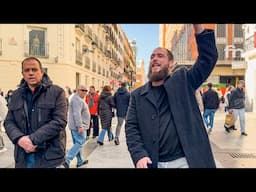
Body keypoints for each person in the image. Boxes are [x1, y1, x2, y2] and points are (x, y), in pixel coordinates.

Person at [125, 24, 218, 168]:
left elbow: (207, 59)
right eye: (152, 56)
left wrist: (197, 27)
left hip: (185, 161)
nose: (155, 59)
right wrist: (139, 155)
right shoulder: (138, 95)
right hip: (153, 162)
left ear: (171, 64)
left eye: (160, 56)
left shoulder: (183, 80)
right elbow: (131, 127)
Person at [4, 57, 68, 168]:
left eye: (34, 69)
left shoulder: (57, 92)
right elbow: (9, 122)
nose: (31, 73)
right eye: (27, 70)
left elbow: (60, 121)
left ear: (42, 72)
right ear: (22, 74)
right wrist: (19, 139)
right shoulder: (16, 95)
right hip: (23, 157)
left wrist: (32, 140)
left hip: (50, 157)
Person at [64, 85, 90, 168]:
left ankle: (80, 161)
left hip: (77, 125)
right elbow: (76, 114)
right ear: (78, 90)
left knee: (77, 143)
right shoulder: (77, 100)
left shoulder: (77, 99)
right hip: (78, 126)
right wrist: (80, 126)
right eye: (83, 90)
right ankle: (67, 160)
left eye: (86, 90)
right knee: (80, 142)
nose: (85, 92)